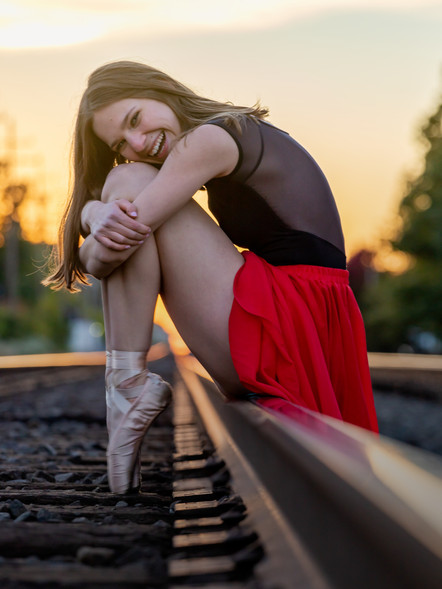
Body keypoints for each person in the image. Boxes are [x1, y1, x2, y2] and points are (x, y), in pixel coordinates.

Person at [45, 60, 378, 494]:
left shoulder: (210, 139)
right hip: (299, 320)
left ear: (159, 89)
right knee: (127, 186)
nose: (138, 142)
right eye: (122, 141)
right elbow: (108, 246)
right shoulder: (224, 134)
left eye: (135, 120)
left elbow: (102, 255)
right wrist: (94, 212)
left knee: (128, 181)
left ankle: (126, 386)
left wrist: (96, 216)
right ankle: (126, 388)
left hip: (294, 323)